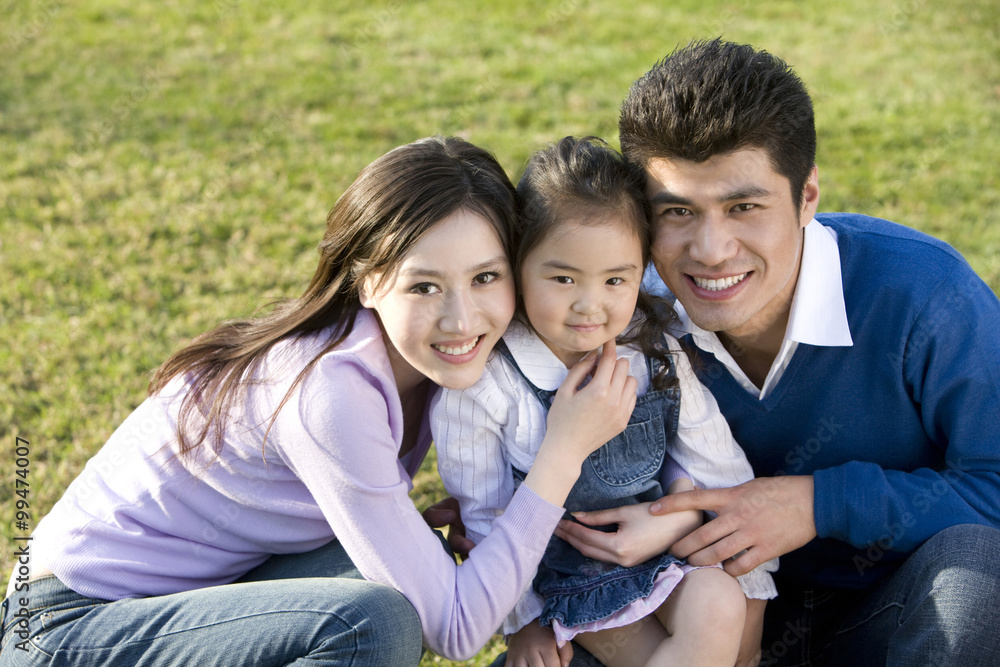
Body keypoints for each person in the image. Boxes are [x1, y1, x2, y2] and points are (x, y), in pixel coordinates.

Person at [0, 136, 641, 666]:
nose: (462, 318)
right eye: (423, 286)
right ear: (367, 283)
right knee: (376, 623)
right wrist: (562, 457)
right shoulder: (328, 391)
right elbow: (456, 631)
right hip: (64, 628)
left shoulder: (420, 360)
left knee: (414, 561)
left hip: (189, 598)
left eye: (485, 277)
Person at [554, 39, 1000, 666]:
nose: (709, 250)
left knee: (977, 579)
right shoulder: (618, 313)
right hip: (694, 620)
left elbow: (995, 486)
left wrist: (819, 503)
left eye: (744, 207)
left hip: (891, 622)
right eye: (678, 211)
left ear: (807, 197)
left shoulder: (926, 294)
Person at [433, 136, 777, 667]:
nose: (589, 305)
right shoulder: (489, 385)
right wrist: (519, 622)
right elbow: (485, 516)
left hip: (663, 554)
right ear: (518, 264)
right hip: (569, 580)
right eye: (563, 277)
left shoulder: (652, 349)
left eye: (616, 279)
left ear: (643, 272)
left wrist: (750, 573)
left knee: (722, 599)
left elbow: (714, 456)